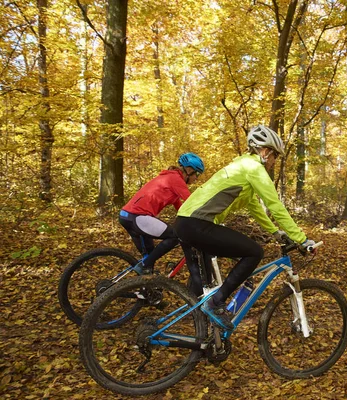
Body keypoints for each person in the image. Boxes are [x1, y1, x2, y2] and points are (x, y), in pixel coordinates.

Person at [174, 125, 315, 330]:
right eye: (275, 156)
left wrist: (276, 233)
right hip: (196, 223)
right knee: (254, 252)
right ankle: (216, 304)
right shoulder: (254, 168)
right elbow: (275, 206)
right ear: (265, 151)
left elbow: (254, 207)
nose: (274, 161)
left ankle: (205, 331)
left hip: (187, 222)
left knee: (222, 268)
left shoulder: (241, 165)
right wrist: (301, 238)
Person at [119, 152, 205, 275]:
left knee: (150, 256)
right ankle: (144, 265)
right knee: (175, 236)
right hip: (137, 216)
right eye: (197, 174)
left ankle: (144, 290)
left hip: (128, 216)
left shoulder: (170, 178)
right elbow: (192, 203)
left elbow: (183, 209)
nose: (196, 178)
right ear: (189, 170)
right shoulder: (176, 179)